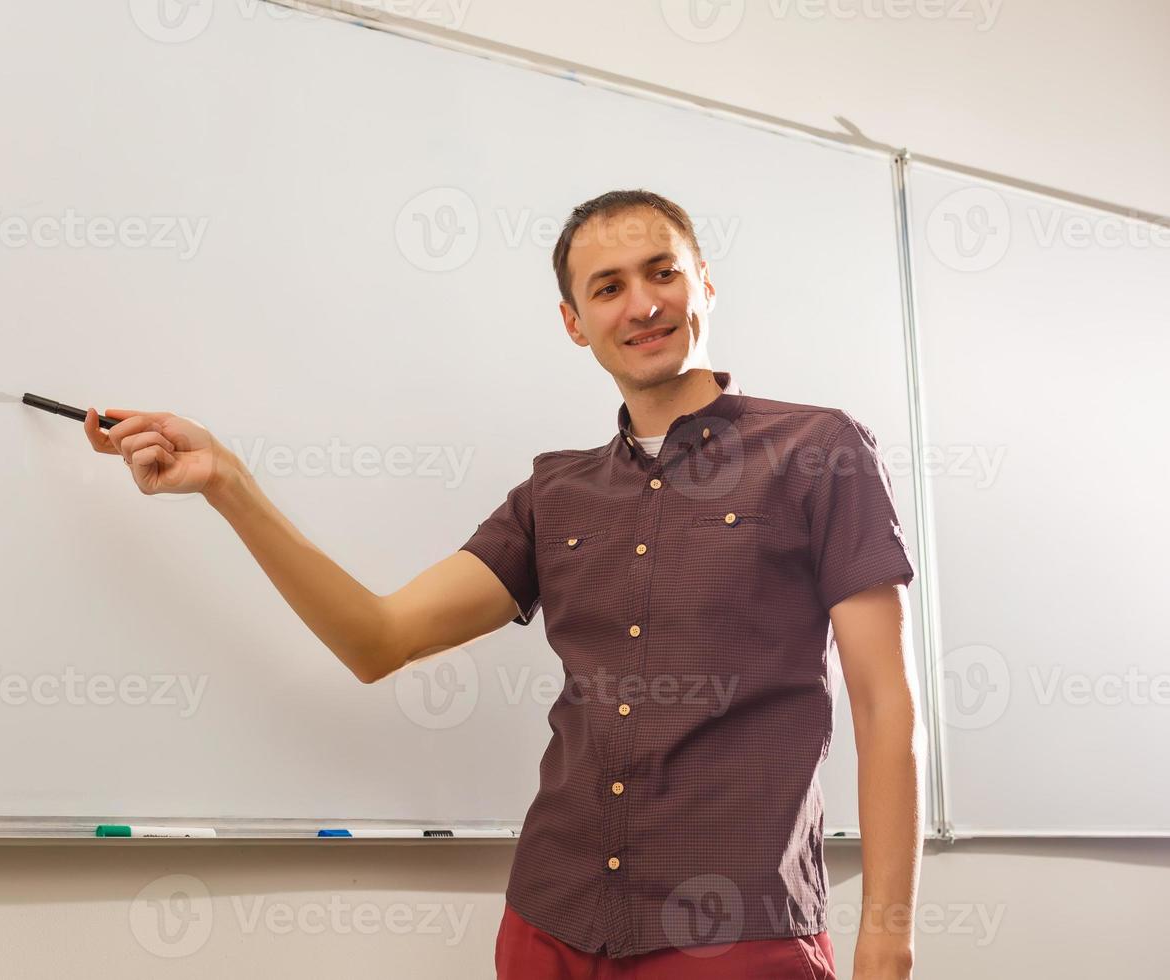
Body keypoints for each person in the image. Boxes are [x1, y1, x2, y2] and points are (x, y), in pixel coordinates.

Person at [85, 189, 921, 980]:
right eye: (608, 287)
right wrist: (228, 481)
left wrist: (887, 944)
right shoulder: (555, 496)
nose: (642, 304)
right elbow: (377, 639)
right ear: (574, 323)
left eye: (662, 271)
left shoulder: (820, 451)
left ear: (704, 281)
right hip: (551, 921)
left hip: (737, 933)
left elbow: (886, 705)